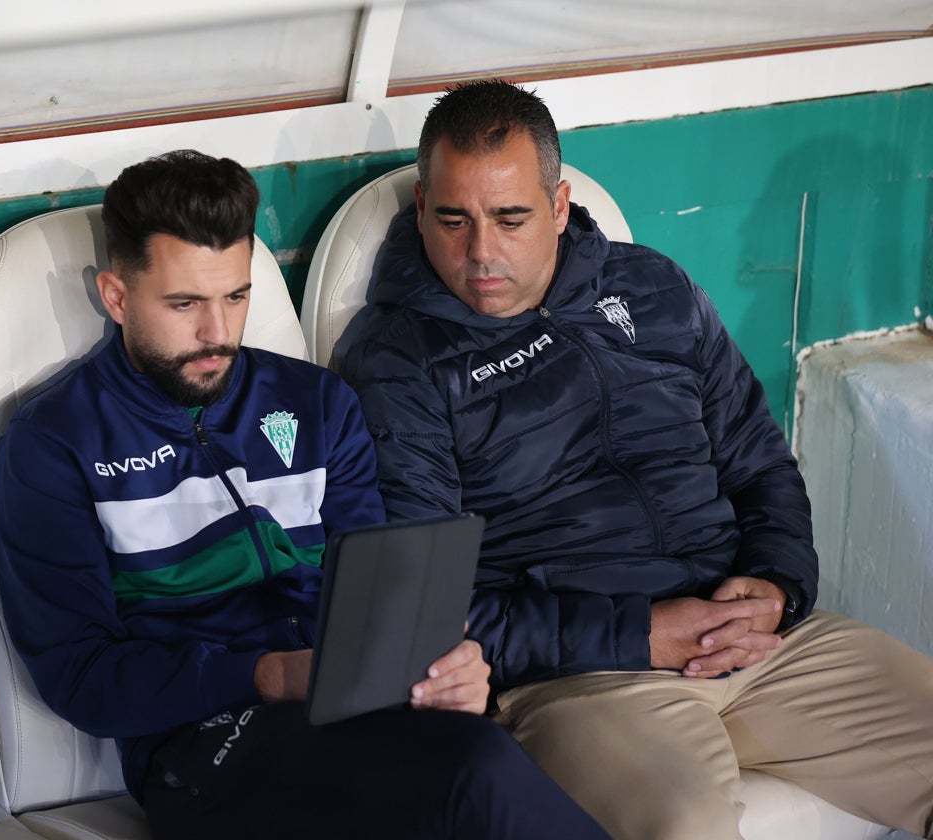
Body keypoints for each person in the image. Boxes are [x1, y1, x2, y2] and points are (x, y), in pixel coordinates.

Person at [337, 80, 933, 840]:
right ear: (420, 206)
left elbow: (757, 458)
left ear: (558, 206)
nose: (480, 252)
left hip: (758, 641)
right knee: (686, 828)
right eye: (453, 220)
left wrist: (778, 583)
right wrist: (640, 632)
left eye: (510, 218)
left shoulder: (651, 286)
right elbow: (430, 615)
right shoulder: (396, 363)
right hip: (587, 679)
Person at [0, 149, 609, 840]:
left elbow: (377, 600)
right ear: (116, 296)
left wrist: (442, 665)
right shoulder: (56, 443)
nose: (216, 334)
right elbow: (80, 675)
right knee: (472, 773)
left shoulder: (315, 404)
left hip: (357, 715)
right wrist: (268, 676)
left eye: (235, 296)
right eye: (184, 304)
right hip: (203, 745)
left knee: (471, 765)